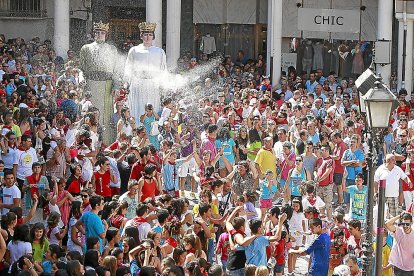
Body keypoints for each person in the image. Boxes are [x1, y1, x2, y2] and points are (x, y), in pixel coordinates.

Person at [79, 21, 117, 144]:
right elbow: (82, 68)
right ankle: (88, 140)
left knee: (105, 116)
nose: (99, 35)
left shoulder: (111, 49)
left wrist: (116, 86)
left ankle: (106, 142)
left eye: (102, 33)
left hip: (106, 85)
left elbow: (116, 70)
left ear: (106, 34)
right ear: (94, 34)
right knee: (90, 112)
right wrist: (81, 78)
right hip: (91, 84)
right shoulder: (86, 48)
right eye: (97, 32)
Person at [124, 21, 167, 120]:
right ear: (141, 36)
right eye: (145, 34)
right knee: (137, 108)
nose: (148, 37)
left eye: (150, 35)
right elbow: (128, 68)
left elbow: (163, 70)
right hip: (137, 83)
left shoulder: (159, 51)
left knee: (152, 108)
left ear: (153, 37)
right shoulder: (134, 50)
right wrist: (127, 83)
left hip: (153, 84)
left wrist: (163, 85)